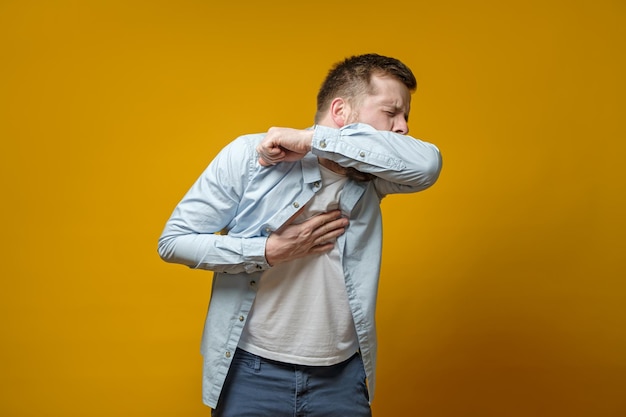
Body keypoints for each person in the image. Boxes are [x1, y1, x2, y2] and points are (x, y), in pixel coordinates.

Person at [158, 53, 442, 416]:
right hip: (250, 372)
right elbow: (173, 241)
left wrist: (312, 140)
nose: (402, 128)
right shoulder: (249, 156)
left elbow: (428, 164)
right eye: (391, 113)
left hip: (341, 379)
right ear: (341, 111)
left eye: (406, 116)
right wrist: (268, 251)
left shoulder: (376, 177)